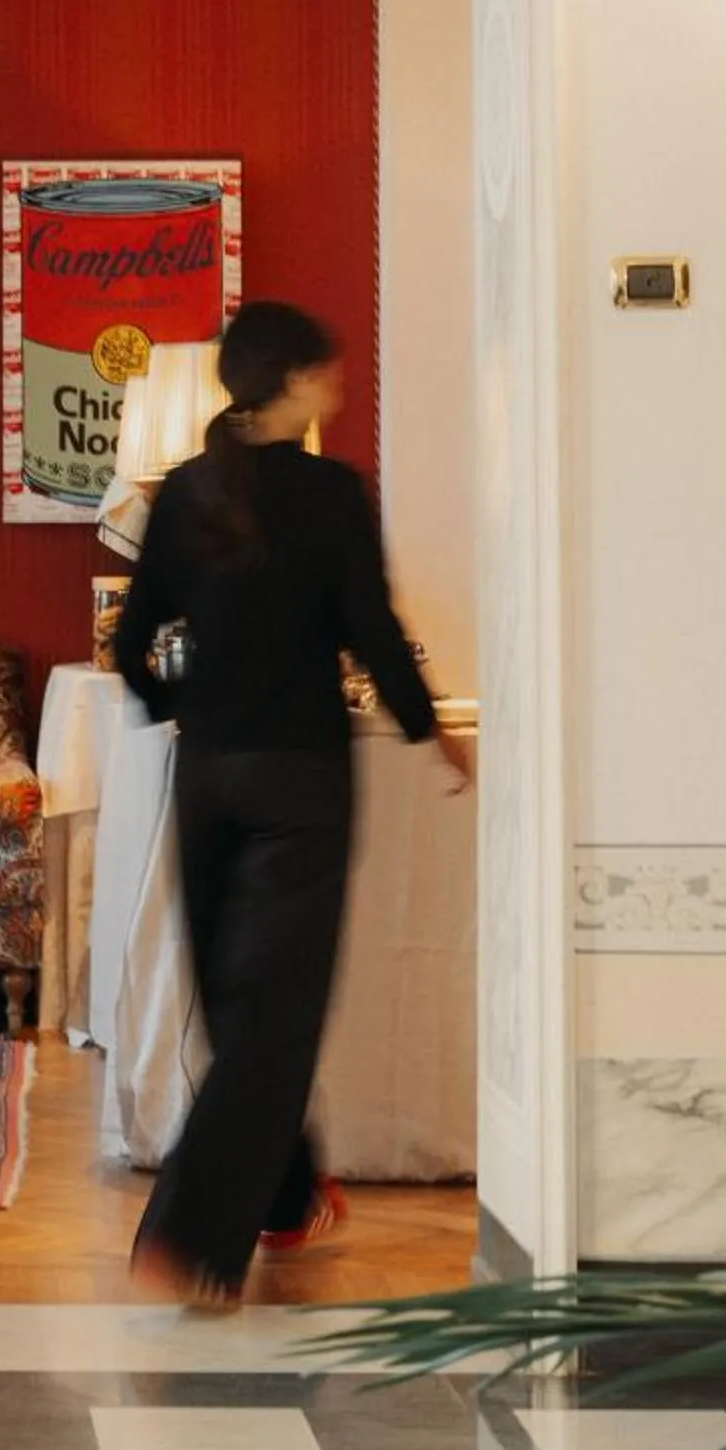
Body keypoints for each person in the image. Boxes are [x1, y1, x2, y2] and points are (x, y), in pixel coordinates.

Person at [113, 300, 473, 1307]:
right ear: (296, 381)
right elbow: (370, 626)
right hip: (300, 781)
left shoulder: (184, 492)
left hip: (207, 775)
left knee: (240, 1007)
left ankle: (284, 1195)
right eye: (331, 371)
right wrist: (427, 727)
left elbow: (130, 643)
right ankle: (187, 1240)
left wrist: (182, 706)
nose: (341, 385)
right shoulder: (329, 494)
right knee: (271, 1015)